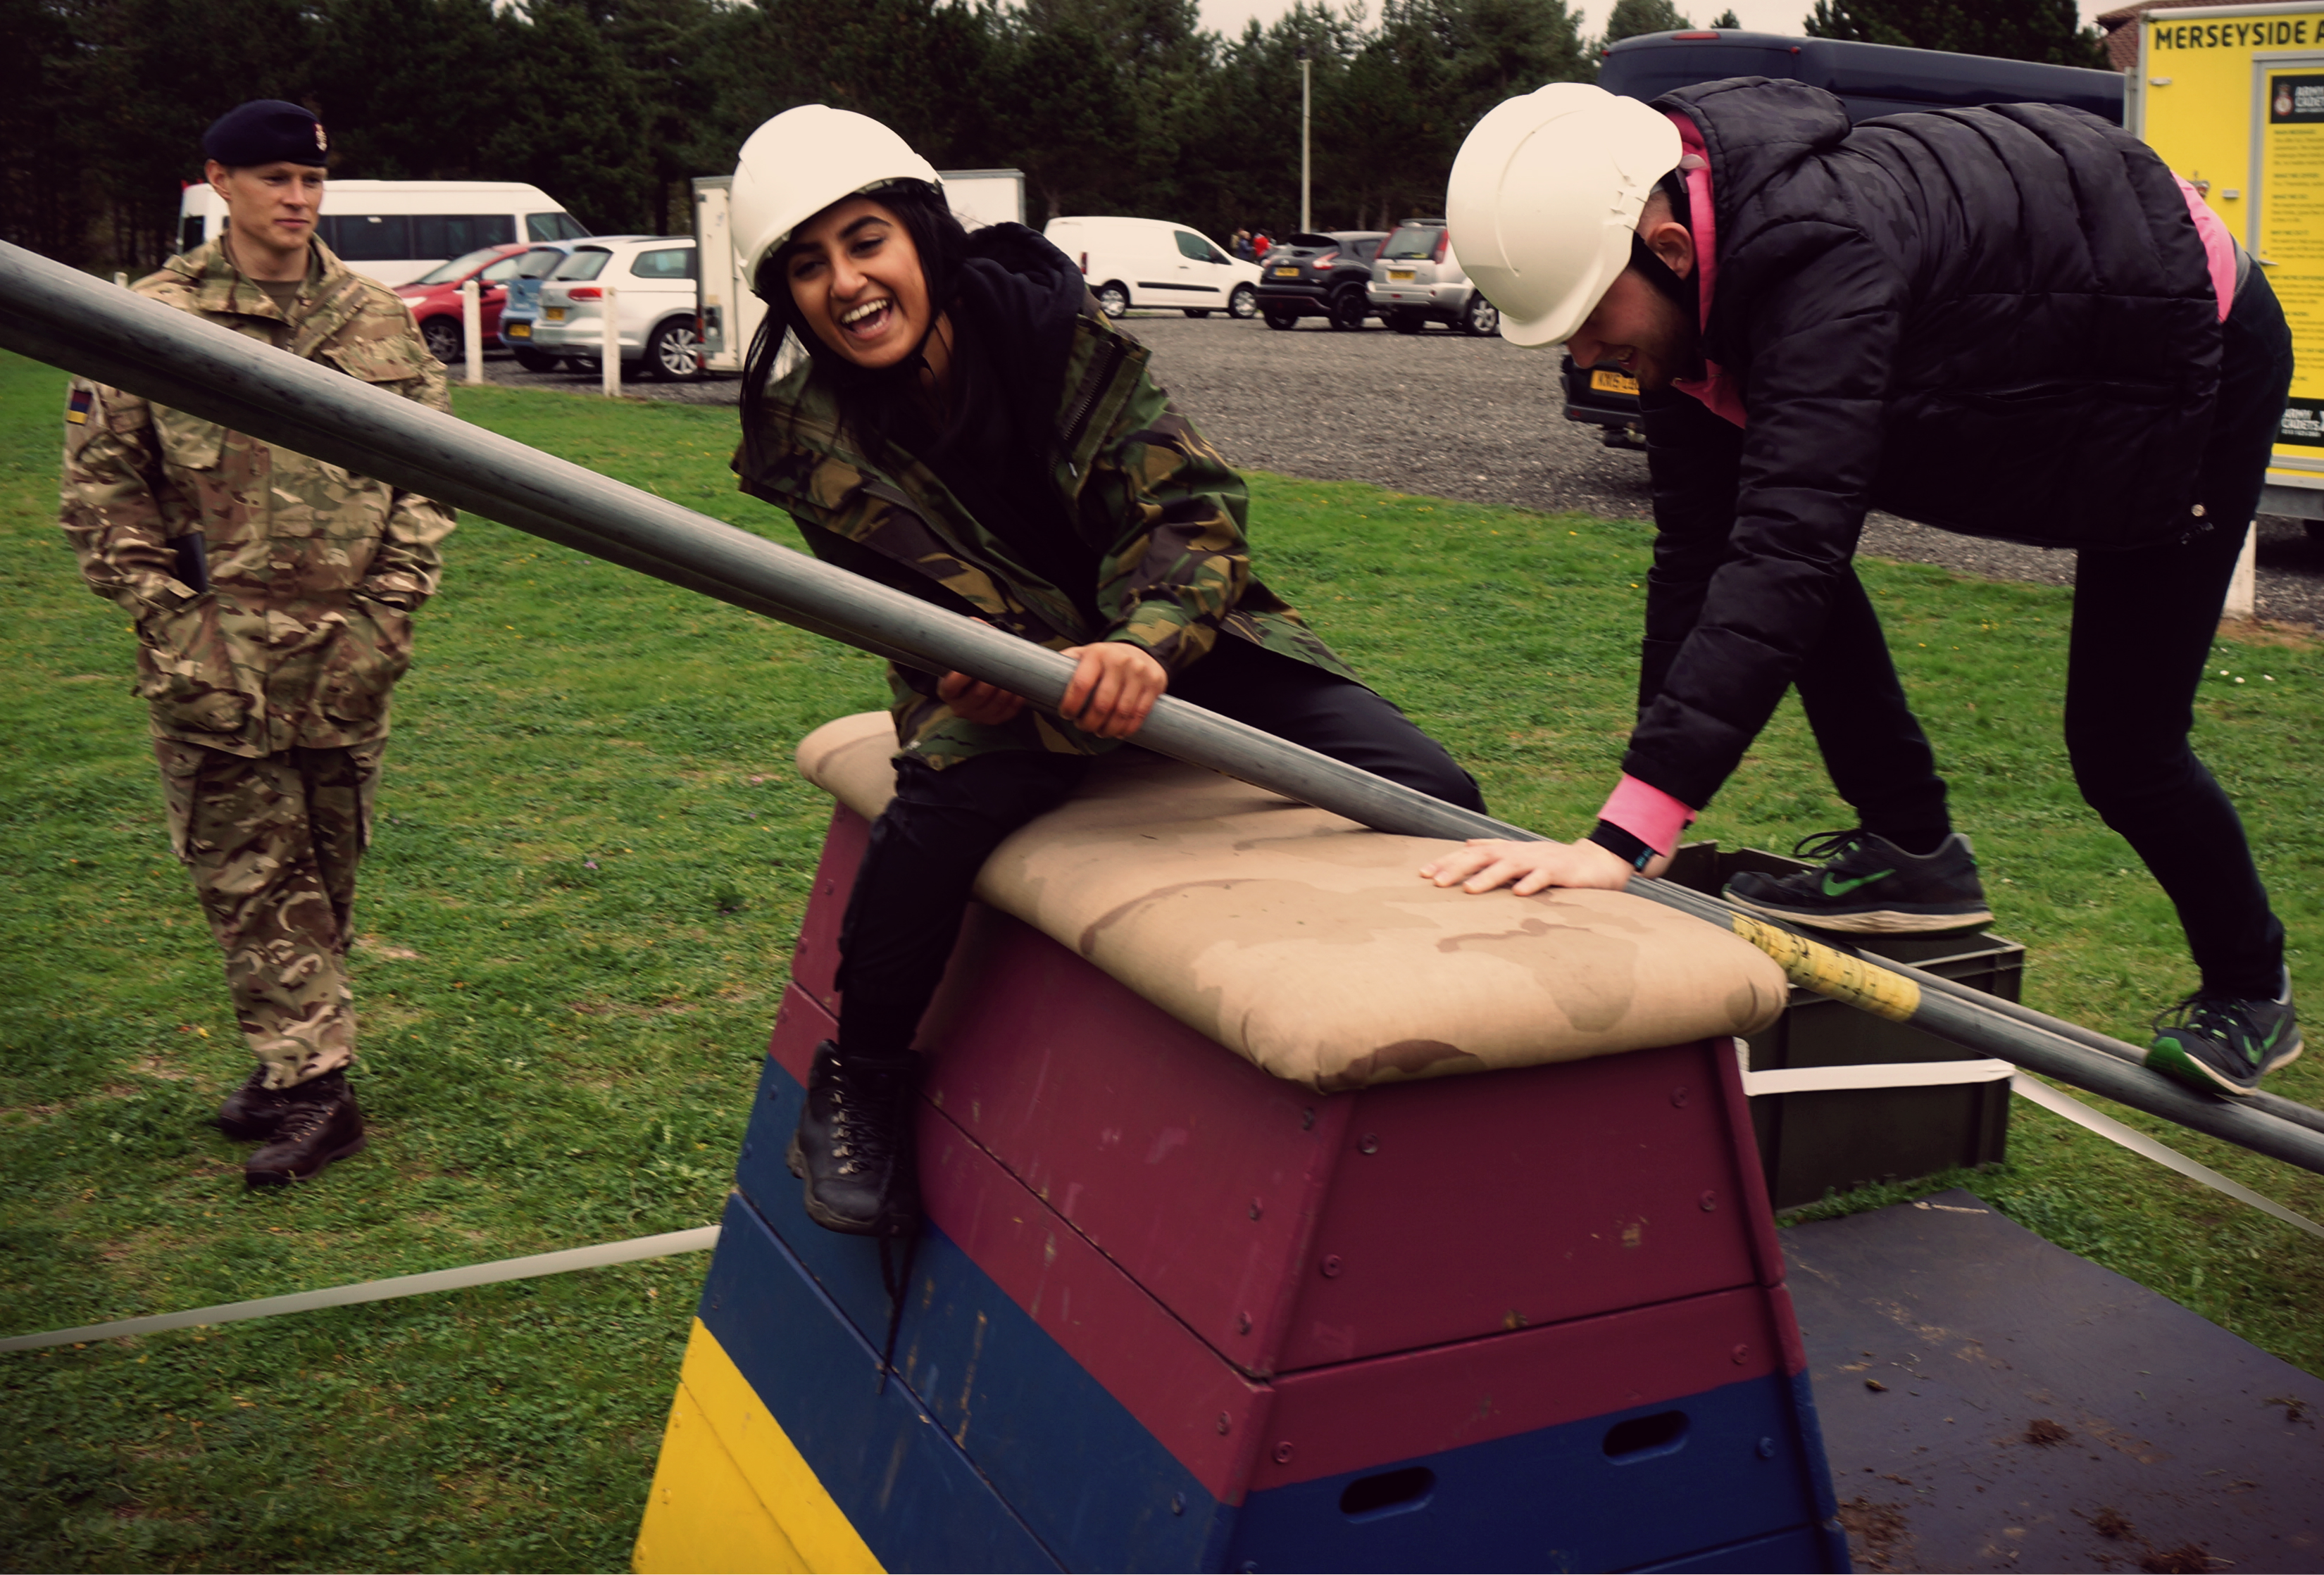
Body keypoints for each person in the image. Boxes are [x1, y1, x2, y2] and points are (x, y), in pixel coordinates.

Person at [1420, 79, 2299, 1101]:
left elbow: (1788, 548)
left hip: (2187, 353)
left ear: (1668, 250)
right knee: (1773, 554)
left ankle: (2252, 987)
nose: (1582, 356)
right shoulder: (1691, 303)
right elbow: (1702, 557)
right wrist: (1638, 824)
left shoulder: (1824, 258)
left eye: (1585, 317)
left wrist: (1629, 833)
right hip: (2047, 329)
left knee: (2123, 746)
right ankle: (1914, 852)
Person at [727, 106, 1485, 1238]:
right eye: (808, 265)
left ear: (924, 236)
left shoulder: (1059, 335)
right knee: (926, 830)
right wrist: (977, 679)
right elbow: (902, 603)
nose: (846, 283)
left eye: (866, 239)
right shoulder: (807, 438)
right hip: (1006, 672)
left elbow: (1190, 511)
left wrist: (1141, 643)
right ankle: (864, 1071)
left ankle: (1463, 1029)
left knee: (1434, 792)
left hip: (1177, 638)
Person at [60, 99, 456, 1185]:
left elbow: (434, 480)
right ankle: (318, 1089)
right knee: (246, 872)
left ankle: (292, 1057)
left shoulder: (376, 320)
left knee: (324, 872)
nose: (296, 199)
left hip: (348, 654)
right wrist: (170, 623)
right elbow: (104, 497)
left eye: (311, 179)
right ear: (218, 181)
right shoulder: (152, 319)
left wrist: (391, 610)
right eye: (274, 177)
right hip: (214, 655)